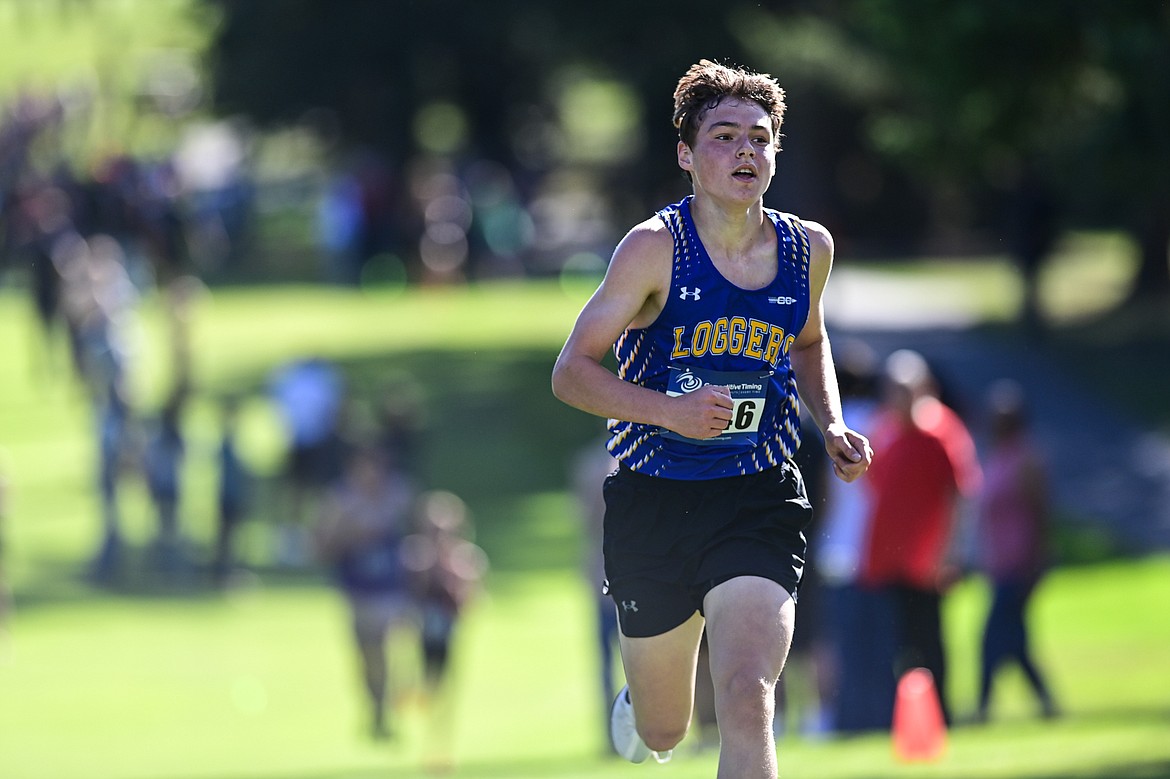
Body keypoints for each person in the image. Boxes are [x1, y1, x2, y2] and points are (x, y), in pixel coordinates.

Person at [550, 59, 873, 778]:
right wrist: (671, 411)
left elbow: (810, 340)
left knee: (748, 694)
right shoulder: (652, 249)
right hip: (653, 498)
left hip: (757, 493)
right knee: (666, 730)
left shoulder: (806, 250)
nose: (745, 153)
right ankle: (648, 704)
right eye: (724, 137)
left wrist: (832, 421)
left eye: (760, 138)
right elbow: (571, 371)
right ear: (687, 155)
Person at [858, 349, 982, 727]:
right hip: (885, 559)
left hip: (927, 562)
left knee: (929, 644)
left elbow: (961, 496)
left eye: (904, 389)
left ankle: (939, 718)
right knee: (893, 645)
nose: (898, 397)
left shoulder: (943, 431)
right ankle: (901, 721)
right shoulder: (884, 429)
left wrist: (953, 553)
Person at [313, 445, 417, 740]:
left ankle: (390, 707)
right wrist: (348, 532)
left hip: (392, 589)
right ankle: (375, 710)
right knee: (366, 656)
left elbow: (418, 532)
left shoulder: (399, 494)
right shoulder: (341, 501)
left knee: (391, 649)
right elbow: (320, 548)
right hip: (358, 590)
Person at [974, 379, 1059, 722]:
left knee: (991, 638)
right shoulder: (996, 457)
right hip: (999, 565)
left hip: (1020, 564)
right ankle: (1047, 704)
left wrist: (1037, 561)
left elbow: (1042, 513)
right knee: (1014, 642)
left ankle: (982, 708)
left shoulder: (1028, 459)